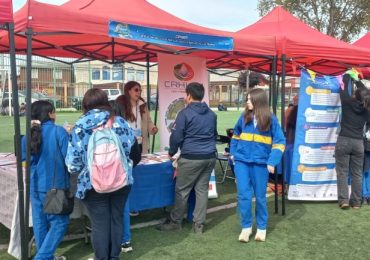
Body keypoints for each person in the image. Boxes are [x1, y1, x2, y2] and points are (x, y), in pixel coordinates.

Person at [65, 88, 140, 260]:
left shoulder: (80, 127)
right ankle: (114, 257)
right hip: (121, 181)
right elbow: (134, 152)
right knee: (116, 219)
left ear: (85, 105)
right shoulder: (120, 122)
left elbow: (73, 164)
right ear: (106, 102)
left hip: (92, 184)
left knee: (99, 224)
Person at [158, 82, 217, 234]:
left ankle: (175, 221)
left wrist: (171, 153)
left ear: (189, 95)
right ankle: (198, 225)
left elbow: (176, 136)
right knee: (202, 190)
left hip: (191, 158)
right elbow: (213, 135)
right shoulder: (212, 114)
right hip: (209, 157)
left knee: (182, 190)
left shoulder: (184, 113)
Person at [230, 88, 285, 242]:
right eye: (247, 99)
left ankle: (261, 228)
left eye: (249, 99)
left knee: (260, 197)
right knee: (243, 195)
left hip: (261, 164)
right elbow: (235, 135)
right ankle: (246, 228)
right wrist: (234, 154)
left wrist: (272, 161)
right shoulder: (243, 117)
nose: (247, 102)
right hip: (242, 162)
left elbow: (280, 142)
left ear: (258, 101)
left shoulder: (271, 119)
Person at [21, 100, 69, 260]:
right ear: (50, 114)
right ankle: (42, 257)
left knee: (40, 223)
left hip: (34, 185)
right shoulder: (58, 132)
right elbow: (69, 159)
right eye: (54, 111)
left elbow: (22, 158)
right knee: (59, 222)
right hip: (55, 185)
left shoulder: (30, 134)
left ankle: (45, 256)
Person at [335, 73, 370, 210]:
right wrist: (358, 81)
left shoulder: (348, 102)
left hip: (344, 140)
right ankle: (356, 202)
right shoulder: (367, 110)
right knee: (357, 174)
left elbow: (342, 87)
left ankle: (344, 201)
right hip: (358, 143)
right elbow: (365, 94)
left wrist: (349, 75)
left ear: (355, 95)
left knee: (342, 172)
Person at [116, 81, 158, 154]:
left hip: (141, 142)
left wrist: (153, 128)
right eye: (136, 90)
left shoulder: (143, 105)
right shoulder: (120, 105)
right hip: (126, 143)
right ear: (128, 91)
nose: (139, 92)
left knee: (142, 164)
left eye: (140, 90)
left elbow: (148, 121)